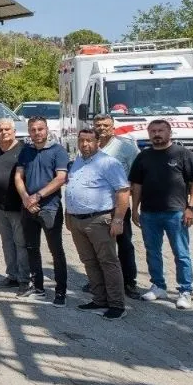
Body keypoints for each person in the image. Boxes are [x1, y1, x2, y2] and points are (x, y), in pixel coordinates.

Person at [130, 119, 193, 309]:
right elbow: (136, 185)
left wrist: (192, 207)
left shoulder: (182, 154)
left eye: (160, 130)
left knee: (181, 253)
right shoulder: (143, 157)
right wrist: (135, 209)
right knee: (152, 251)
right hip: (149, 213)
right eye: (153, 131)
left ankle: (185, 291)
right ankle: (158, 286)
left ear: (169, 132)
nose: (156, 134)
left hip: (176, 213)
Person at [66, 129, 131, 320]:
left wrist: (118, 219)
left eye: (89, 141)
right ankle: (99, 299)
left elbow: (123, 191)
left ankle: (117, 305)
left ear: (98, 142)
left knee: (108, 262)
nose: (85, 144)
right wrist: (68, 214)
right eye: (81, 140)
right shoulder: (77, 161)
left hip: (99, 220)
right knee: (89, 261)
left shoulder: (108, 163)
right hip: (77, 220)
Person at [14, 117, 70, 305]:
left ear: (46, 130)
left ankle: (60, 292)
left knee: (56, 251)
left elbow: (61, 178)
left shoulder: (58, 151)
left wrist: (37, 196)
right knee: (32, 248)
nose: (37, 133)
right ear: (29, 131)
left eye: (40, 129)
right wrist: (25, 198)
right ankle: (38, 288)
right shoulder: (25, 151)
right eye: (33, 129)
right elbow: (18, 177)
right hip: (28, 207)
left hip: (50, 208)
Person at [94, 113, 141, 297]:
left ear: (113, 127)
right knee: (100, 246)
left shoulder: (126, 147)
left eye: (106, 125)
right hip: (96, 207)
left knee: (124, 244)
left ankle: (129, 282)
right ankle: (99, 281)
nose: (102, 128)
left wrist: (135, 206)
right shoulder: (89, 146)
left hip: (118, 206)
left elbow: (136, 179)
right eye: (98, 125)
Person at [0, 118, 27, 288]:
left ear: (14, 131)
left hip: (18, 206)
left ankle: (24, 277)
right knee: (7, 242)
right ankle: (12, 275)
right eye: (0, 130)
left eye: (7, 129)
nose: (3, 133)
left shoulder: (23, 150)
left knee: (20, 242)